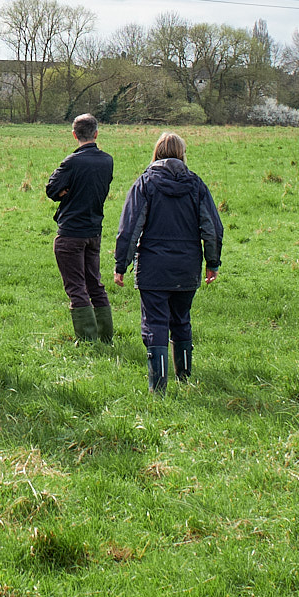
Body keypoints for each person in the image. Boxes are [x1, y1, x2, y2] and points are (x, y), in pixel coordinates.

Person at [113, 131, 224, 396]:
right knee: (181, 319)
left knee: (155, 323)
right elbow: (213, 229)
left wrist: (121, 265)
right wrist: (212, 262)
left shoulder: (145, 183)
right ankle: (184, 378)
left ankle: (158, 388)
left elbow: (129, 228)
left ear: (157, 153)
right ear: (182, 154)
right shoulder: (197, 185)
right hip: (187, 266)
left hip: (153, 266)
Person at [45, 113, 115, 343]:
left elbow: (51, 189)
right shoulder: (107, 161)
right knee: (95, 283)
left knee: (76, 287)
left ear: (74, 134)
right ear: (96, 133)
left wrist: (67, 192)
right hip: (94, 231)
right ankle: (105, 335)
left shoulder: (72, 161)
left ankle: (87, 339)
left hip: (71, 233)